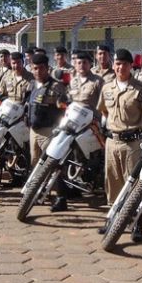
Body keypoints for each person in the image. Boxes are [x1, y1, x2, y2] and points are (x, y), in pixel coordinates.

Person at [96, 49, 142, 242]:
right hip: (112, 142)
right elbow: (104, 111)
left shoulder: (140, 89)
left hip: (133, 144)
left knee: (135, 185)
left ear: (131, 66)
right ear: (113, 65)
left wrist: (134, 130)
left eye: (124, 64)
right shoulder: (107, 87)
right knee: (113, 181)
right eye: (117, 63)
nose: (120, 67)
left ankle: (136, 223)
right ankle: (113, 216)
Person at [50, 51, 104, 212]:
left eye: (85, 62)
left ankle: (87, 181)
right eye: (79, 62)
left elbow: (104, 104)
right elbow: (68, 101)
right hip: (72, 125)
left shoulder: (98, 81)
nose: (81, 65)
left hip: (90, 126)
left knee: (90, 161)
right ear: (75, 64)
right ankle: (61, 197)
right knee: (59, 157)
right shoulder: (72, 82)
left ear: (90, 63)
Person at [27, 53, 67, 168]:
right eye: (35, 68)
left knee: (49, 165)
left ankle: (54, 186)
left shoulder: (56, 86)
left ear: (47, 69)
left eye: (41, 68)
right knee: (34, 162)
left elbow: (64, 109)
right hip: (33, 130)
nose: (38, 71)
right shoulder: (32, 84)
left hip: (48, 131)